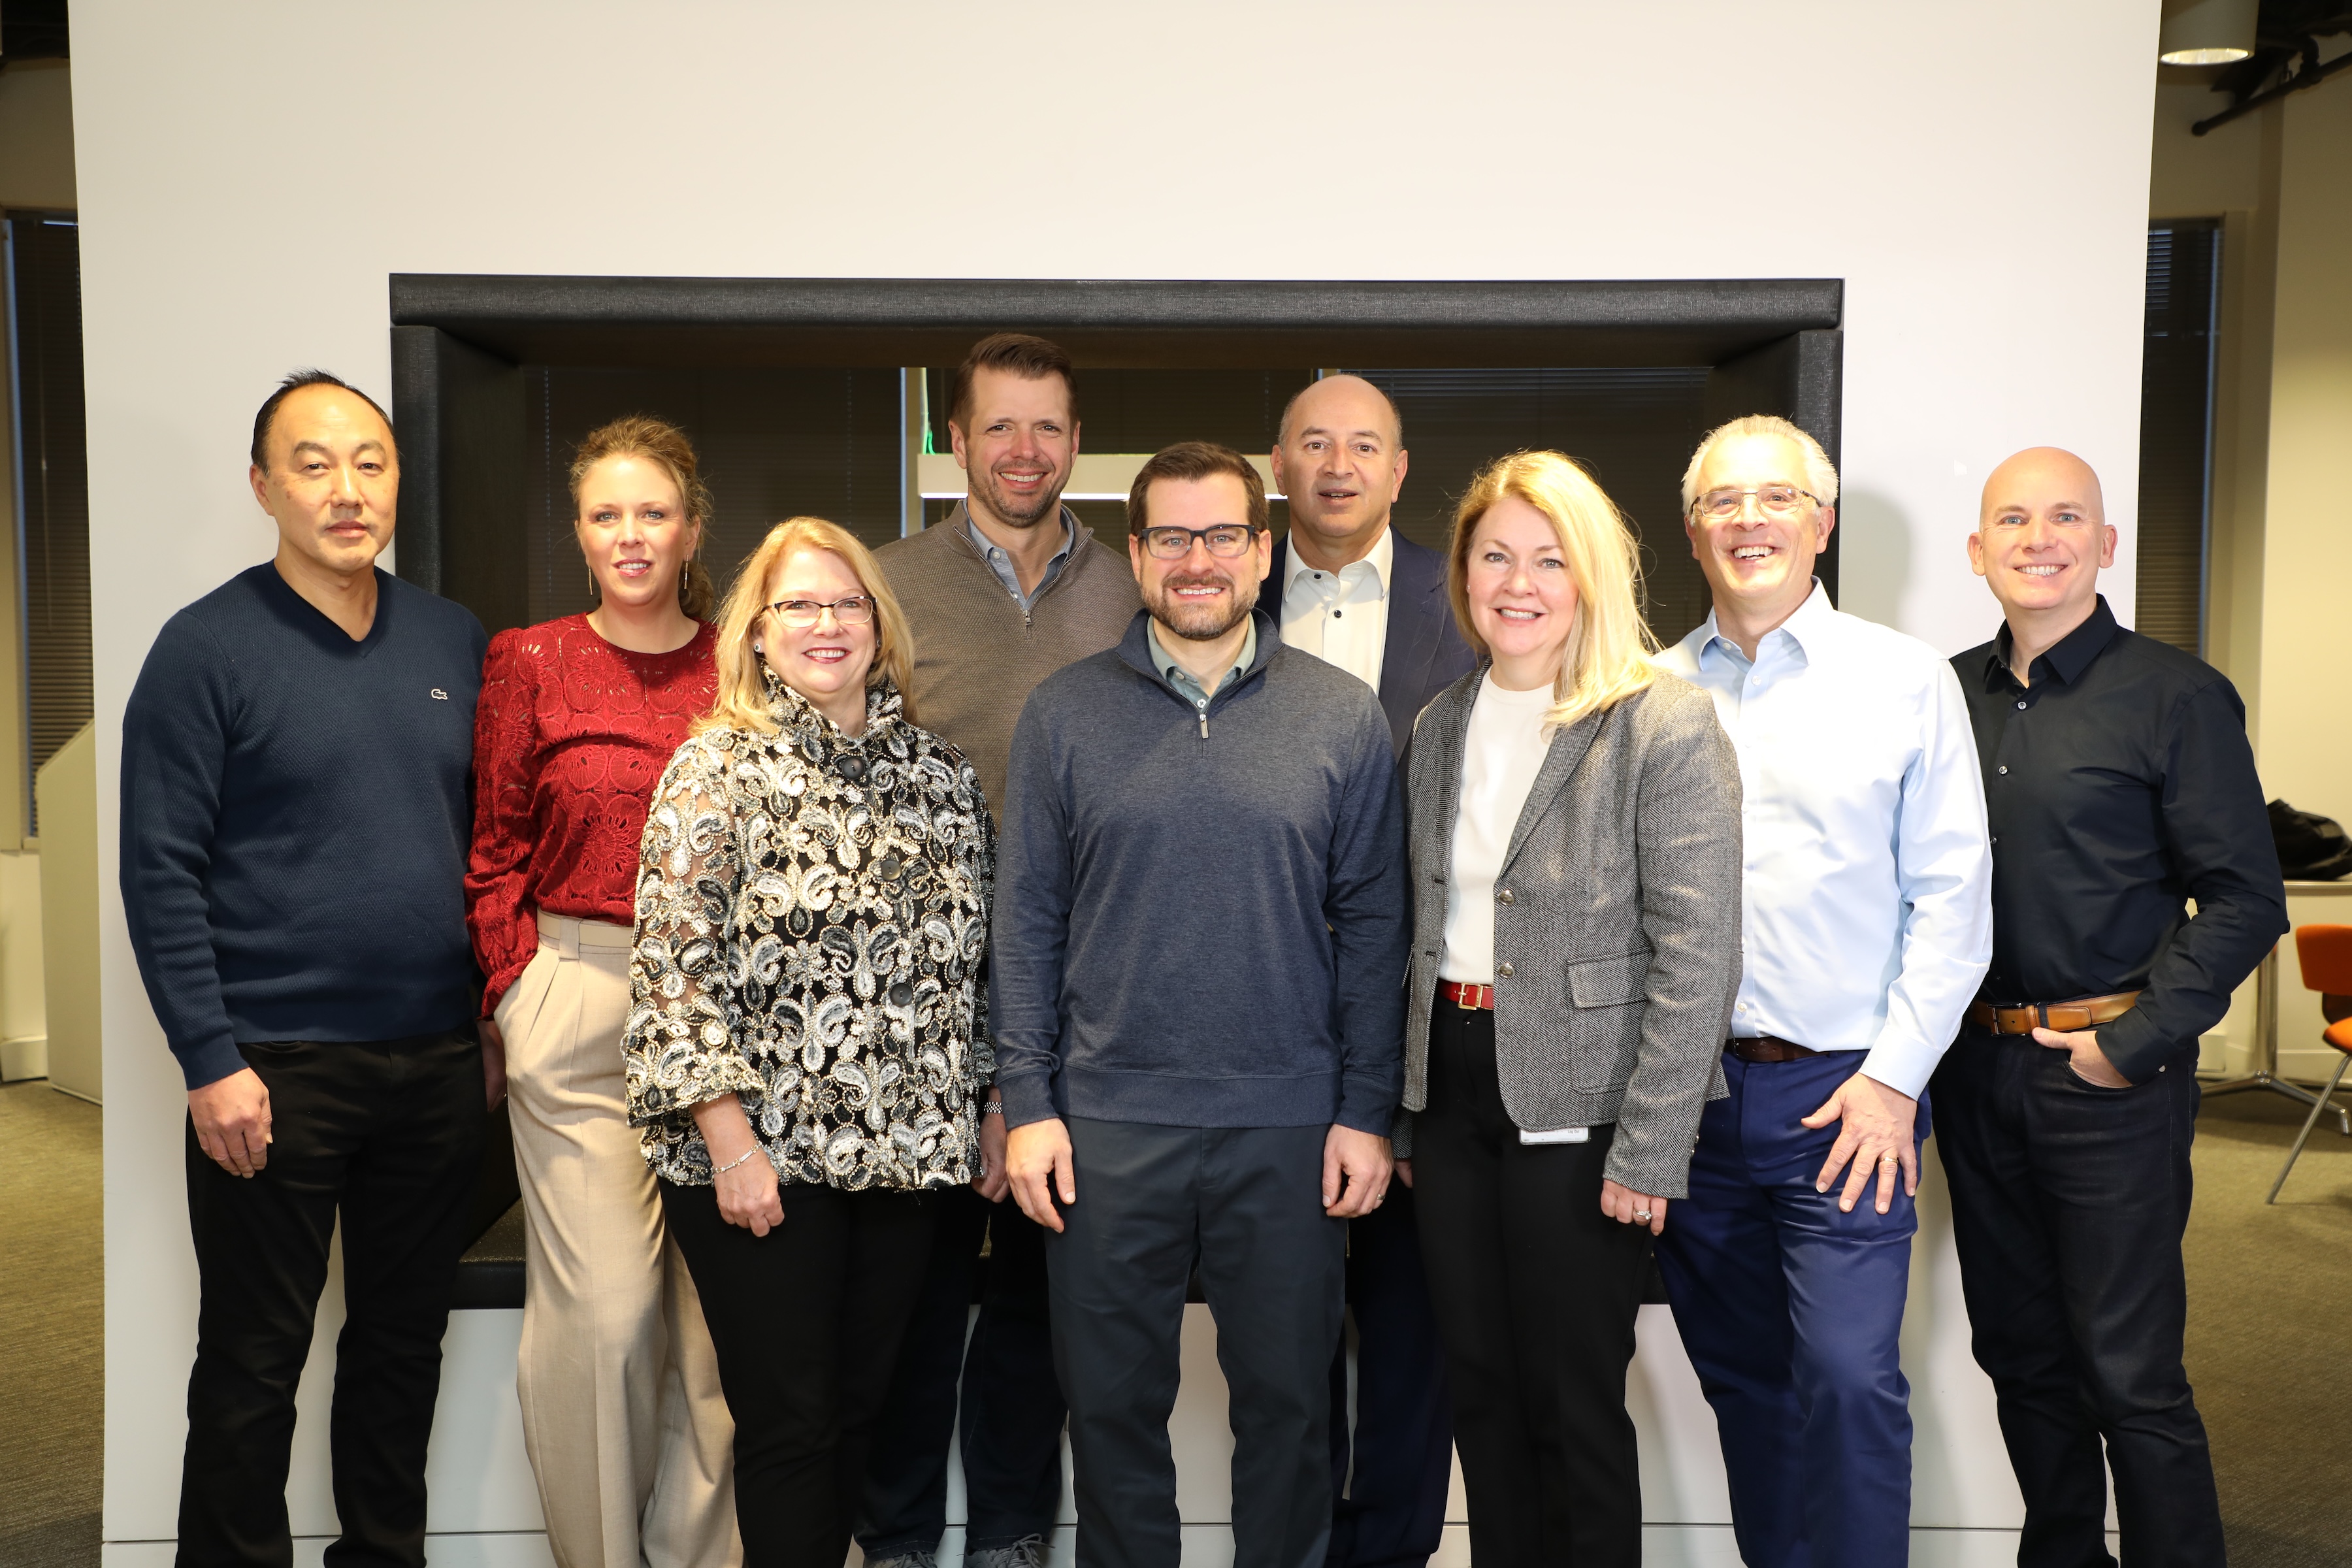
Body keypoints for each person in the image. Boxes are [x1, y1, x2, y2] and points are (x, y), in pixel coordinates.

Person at [992, 441, 1409, 1568]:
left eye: (1222, 535)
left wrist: (1367, 1110)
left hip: (1288, 1125)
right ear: (1135, 556)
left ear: (1263, 553)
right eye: (1170, 537)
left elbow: (1376, 929)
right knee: (1114, 1419)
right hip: (1107, 1127)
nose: (1197, 561)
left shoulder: (1341, 718)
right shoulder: (1064, 715)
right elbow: (1024, 922)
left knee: (1290, 1415)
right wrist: (1027, 1102)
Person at [122, 370, 490, 1568]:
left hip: (435, 1064)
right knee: (253, 1358)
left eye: (370, 463)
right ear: (264, 486)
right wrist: (209, 1060)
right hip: (272, 1070)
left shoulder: (451, 638)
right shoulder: (205, 649)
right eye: (315, 464)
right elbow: (159, 871)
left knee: (399, 1350)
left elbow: (484, 846)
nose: (348, 489)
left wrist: (486, 1023)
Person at [1651, 414, 1993, 1568]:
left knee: (1849, 1381)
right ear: (1694, 531)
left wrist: (1894, 1084)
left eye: (1777, 498)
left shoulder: (1903, 681)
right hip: (1692, 1105)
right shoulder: (1646, 693)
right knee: (1744, 1385)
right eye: (1724, 503)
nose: (1750, 521)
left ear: (1823, 522)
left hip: (1846, 1101)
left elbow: (1953, 900)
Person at [1936, 448, 2285, 1568]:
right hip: (1973, 1073)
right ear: (1978, 549)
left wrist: (2129, 1046)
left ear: (2107, 545)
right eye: (2014, 519)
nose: (2039, 538)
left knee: (2129, 1370)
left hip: (2109, 1081)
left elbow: (2244, 898)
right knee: (2023, 1357)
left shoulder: (2176, 696)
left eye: (2066, 517)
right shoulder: (1940, 694)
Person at [623, 516, 994, 1568]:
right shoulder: (713, 772)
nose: (826, 624)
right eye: (799, 605)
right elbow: (673, 976)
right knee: (791, 1426)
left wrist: (992, 1105)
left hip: (910, 1159)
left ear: (880, 623)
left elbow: (977, 967)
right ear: (756, 631)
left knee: (862, 1415)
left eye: (847, 603)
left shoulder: (940, 775)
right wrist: (732, 1147)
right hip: (762, 1162)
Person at [1394, 449, 1740, 1566]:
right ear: (1464, 573)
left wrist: (1650, 1148)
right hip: (1452, 1088)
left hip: (1587, 1107)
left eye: (1548, 558)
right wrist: (1404, 1107)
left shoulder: (1661, 721)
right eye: (1495, 555)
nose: (1518, 581)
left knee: (1572, 1401)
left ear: (1588, 575)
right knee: (1482, 1394)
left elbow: (1698, 951)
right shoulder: (1441, 723)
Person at [862, 333, 1139, 1568]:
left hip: (1081, 995)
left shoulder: (1135, 585)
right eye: (1000, 427)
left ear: (1076, 443)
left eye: (1049, 428)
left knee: (1041, 1295)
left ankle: (1015, 1533)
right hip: (910, 999)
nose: (1025, 451)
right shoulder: (880, 585)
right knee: (910, 1303)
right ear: (955, 442)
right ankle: (902, 1535)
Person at [466, 416, 738, 1568]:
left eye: (654, 512)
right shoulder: (528, 660)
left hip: (731, 1011)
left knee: (724, 1336)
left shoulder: (747, 659)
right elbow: (494, 849)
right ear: (579, 531)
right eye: (606, 514)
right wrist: (515, 993)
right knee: (607, 1322)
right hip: (580, 993)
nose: (631, 535)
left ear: (691, 527)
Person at [1266, 373, 1472, 1568]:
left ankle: (1388, 1552)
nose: (1338, 465)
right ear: (1278, 466)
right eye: (1313, 444)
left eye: (1365, 446)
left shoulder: (1476, 601)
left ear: (1401, 470)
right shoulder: (1220, 597)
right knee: (1286, 1330)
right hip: (1273, 1025)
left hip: (1434, 1023)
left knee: (1412, 1328)